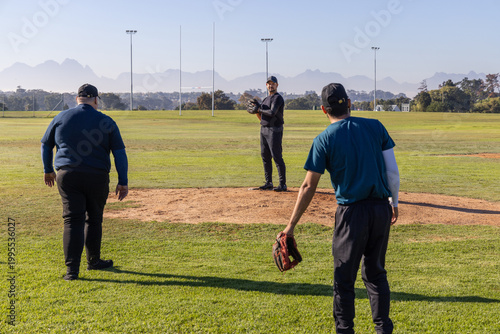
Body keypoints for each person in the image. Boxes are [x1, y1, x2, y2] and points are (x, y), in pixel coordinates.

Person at [282, 83, 400, 333]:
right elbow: (392, 170)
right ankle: (383, 330)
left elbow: (307, 186)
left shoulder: (324, 139)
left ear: (323, 109)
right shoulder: (376, 126)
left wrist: (290, 226)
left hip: (351, 214)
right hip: (380, 209)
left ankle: (345, 330)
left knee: (344, 279)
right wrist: (394, 202)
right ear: (349, 102)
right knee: (376, 274)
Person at [41, 83, 129, 281]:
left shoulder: (61, 117)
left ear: (76, 99)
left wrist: (48, 170)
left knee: (72, 220)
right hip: (97, 176)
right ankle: (94, 261)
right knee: (94, 219)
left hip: (67, 175)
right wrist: (122, 181)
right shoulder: (106, 121)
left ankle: (72, 271)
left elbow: (46, 145)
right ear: (96, 100)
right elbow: (119, 153)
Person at [251, 76, 287, 191]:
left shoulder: (278, 98)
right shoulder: (266, 99)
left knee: (276, 156)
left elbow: (271, 112)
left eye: (273, 83)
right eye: (269, 83)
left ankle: (282, 184)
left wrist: (258, 109)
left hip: (274, 130)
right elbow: (262, 116)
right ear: (266, 85)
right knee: (265, 156)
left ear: (277, 85)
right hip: (264, 129)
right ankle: (268, 182)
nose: (270, 85)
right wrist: (256, 108)